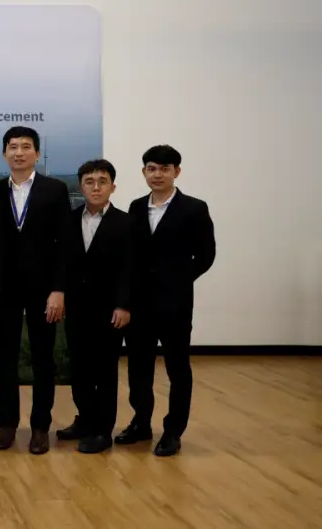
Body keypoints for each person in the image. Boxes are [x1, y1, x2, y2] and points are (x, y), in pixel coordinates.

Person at [116, 145, 216, 457]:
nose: (157, 174)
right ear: (144, 172)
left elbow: (206, 255)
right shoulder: (136, 207)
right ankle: (141, 422)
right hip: (139, 304)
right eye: (151, 168)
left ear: (176, 172)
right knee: (138, 367)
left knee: (177, 368)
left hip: (175, 304)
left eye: (164, 168)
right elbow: (131, 255)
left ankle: (173, 431)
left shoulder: (194, 209)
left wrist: (178, 280)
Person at [0, 125, 70, 455]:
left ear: (36, 152)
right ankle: (7, 425)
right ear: (4, 153)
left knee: (42, 360)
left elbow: (64, 245)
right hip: (5, 291)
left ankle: (40, 427)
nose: (18, 152)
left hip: (44, 290)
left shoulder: (55, 189)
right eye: (13, 147)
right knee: (5, 359)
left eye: (25, 147)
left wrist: (58, 289)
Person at [55, 159, 132, 454]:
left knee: (105, 371)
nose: (96, 187)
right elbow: (62, 261)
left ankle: (102, 430)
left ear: (113, 187)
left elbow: (129, 269)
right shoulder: (69, 220)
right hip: (76, 308)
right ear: (81, 186)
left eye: (102, 181)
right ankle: (85, 419)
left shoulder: (126, 223)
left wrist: (123, 305)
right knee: (79, 369)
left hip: (110, 310)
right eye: (89, 182)